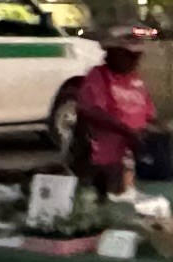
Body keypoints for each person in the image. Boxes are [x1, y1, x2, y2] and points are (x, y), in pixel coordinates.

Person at [66, 26, 158, 194]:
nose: (135, 60)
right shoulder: (97, 77)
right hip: (102, 159)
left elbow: (149, 113)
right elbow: (92, 112)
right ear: (113, 52)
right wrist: (127, 131)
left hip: (131, 158)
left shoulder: (135, 80)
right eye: (130, 55)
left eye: (137, 55)